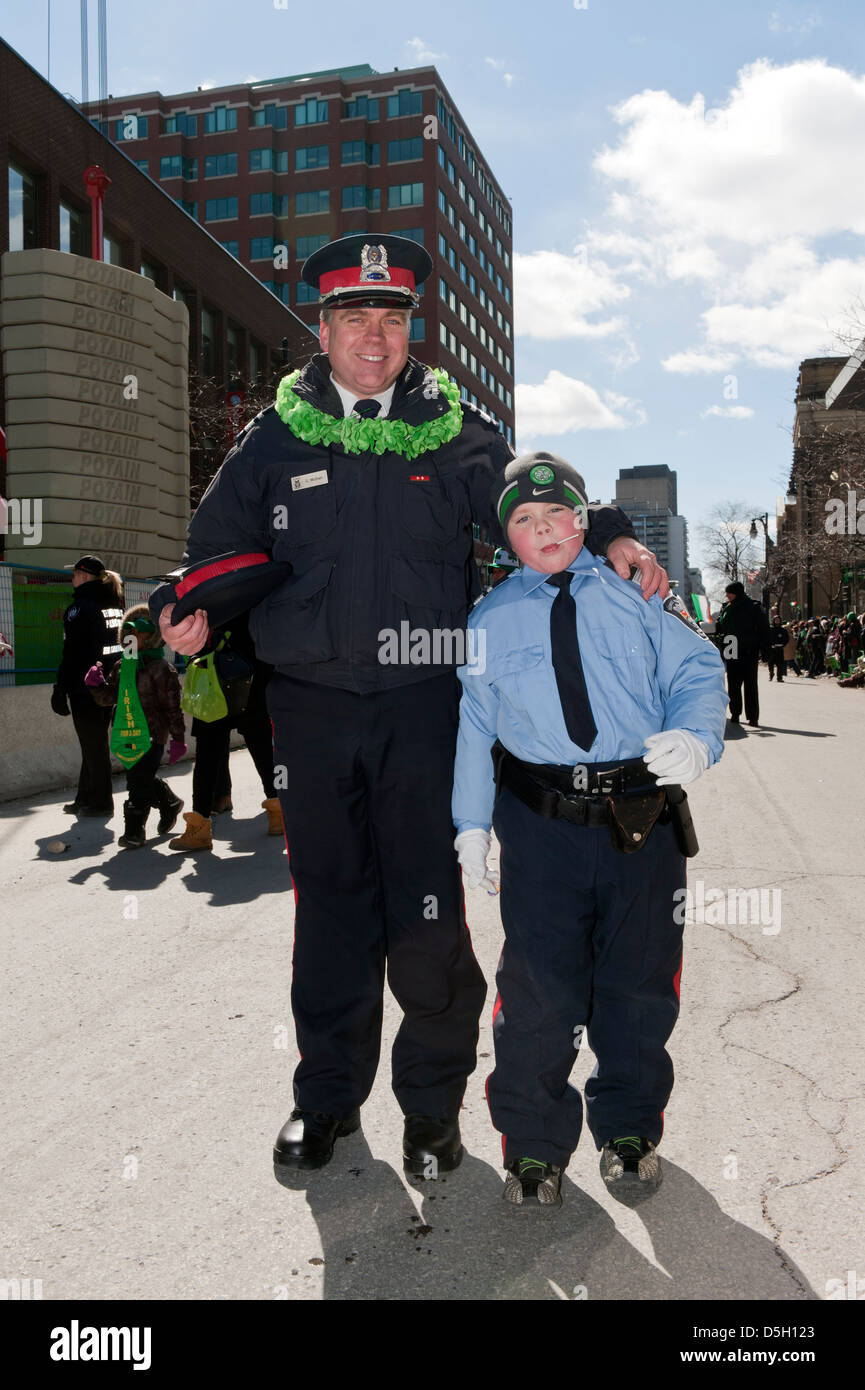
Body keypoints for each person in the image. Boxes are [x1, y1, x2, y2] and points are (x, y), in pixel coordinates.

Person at [148, 234, 669, 1181]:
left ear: (408, 329)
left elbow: (532, 504)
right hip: (307, 708)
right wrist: (179, 611)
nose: (375, 337)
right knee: (332, 909)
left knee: (429, 917)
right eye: (356, 318)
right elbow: (212, 550)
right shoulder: (274, 436)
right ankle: (324, 1101)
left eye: (391, 318)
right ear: (324, 327)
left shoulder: (454, 428)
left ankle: (431, 1108)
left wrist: (618, 538)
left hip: (427, 705)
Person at [451, 452, 727, 1208]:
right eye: (524, 520)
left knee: (637, 982)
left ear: (583, 518)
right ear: (506, 538)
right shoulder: (488, 619)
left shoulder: (637, 593)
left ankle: (629, 1129)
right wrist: (470, 827)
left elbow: (697, 673)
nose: (544, 529)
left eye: (557, 514)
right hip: (540, 828)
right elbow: (475, 731)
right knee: (537, 990)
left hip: (639, 820)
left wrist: (698, 736)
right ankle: (534, 1147)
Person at [168, 612, 282, 852]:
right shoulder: (255, 584)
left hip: (215, 673)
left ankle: (200, 828)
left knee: (209, 754)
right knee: (262, 747)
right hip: (253, 669)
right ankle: (279, 813)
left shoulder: (211, 586)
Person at [85, 606, 186, 849]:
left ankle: (134, 831)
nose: (131, 636)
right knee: (139, 777)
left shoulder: (161, 668)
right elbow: (109, 698)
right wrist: (96, 684)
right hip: (126, 732)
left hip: (152, 734)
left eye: (138, 632)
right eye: (127, 631)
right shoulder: (122, 666)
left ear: (150, 637)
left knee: (137, 782)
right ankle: (168, 801)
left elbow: (173, 707)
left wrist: (178, 738)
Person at [51, 555, 125, 817]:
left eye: (74, 574)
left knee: (94, 746)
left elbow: (71, 653)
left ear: (83, 575)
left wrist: (60, 688)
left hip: (85, 688)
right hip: (108, 685)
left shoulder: (80, 607)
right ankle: (85, 798)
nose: (72, 579)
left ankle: (102, 802)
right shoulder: (114, 603)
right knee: (92, 744)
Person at [715, 581, 771, 726]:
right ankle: (735, 713)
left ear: (737, 593)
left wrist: (765, 650)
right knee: (733, 684)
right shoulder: (726, 608)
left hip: (749, 649)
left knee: (750, 684)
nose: (727, 595)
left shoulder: (753, 607)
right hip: (731, 648)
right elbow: (721, 627)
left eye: (730, 593)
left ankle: (753, 717)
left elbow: (764, 629)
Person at [767, 614, 790, 682]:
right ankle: (771, 674)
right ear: (773, 621)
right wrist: (769, 645)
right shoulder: (770, 629)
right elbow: (767, 638)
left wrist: (783, 645)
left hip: (779, 649)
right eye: (776, 620)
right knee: (770, 663)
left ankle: (779, 677)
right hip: (771, 649)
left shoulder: (783, 630)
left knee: (780, 664)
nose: (777, 621)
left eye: (778, 620)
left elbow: (786, 638)